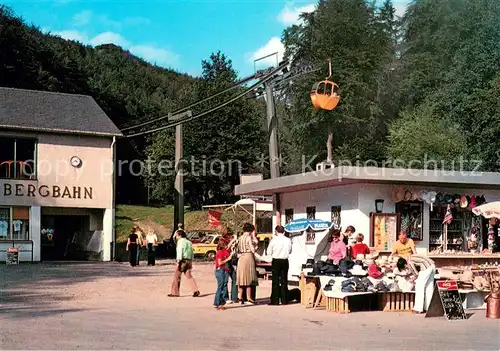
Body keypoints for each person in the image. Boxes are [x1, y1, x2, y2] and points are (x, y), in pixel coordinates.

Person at [168, 229, 200, 297]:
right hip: (189, 260)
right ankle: (195, 290)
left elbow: (180, 251)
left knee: (177, 276)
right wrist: (191, 260)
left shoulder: (180, 242)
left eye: (176, 235)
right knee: (189, 276)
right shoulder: (189, 242)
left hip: (182, 260)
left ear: (179, 235)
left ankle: (175, 292)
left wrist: (178, 261)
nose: (176, 237)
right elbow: (192, 252)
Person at [268, 225, 292, 305]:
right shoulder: (288, 240)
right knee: (284, 280)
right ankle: (284, 300)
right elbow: (290, 251)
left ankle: (275, 300)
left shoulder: (273, 240)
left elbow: (269, 252)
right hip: (285, 260)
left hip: (276, 260)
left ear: (276, 231)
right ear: (284, 231)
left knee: (275, 281)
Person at [236, 223, 258, 305]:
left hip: (241, 257)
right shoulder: (248, 237)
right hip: (248, 257)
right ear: (250, 230)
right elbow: (252, 249)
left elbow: (237, 248)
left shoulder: (240, 237)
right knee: (249, 277)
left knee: (242, 278)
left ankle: (240, 297)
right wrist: (255, 247)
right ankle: (249, 298)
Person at [214, 241, 232, 310]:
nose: (227, 246)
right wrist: (228, 259)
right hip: (220, 270)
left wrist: (233, 240)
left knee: (224, 286)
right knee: (221, 286)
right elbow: (220, 263)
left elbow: (229, 246)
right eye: (225, 245)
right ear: (223, 246)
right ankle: (218, 303)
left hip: (225, 270)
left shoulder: (225, 251)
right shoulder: (220, 252)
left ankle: (220, 303)